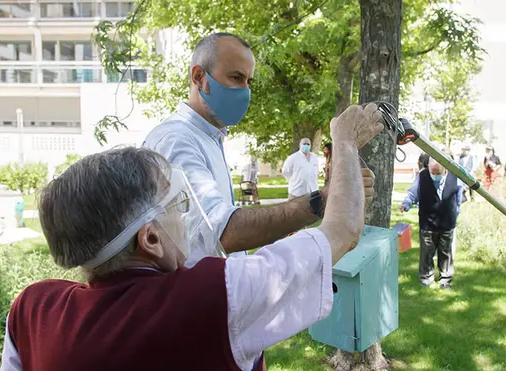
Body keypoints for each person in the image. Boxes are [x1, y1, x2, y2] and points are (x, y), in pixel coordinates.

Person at [0, 102, 383, 371]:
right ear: (151, 238)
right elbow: (343, 230)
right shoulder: (219, 295)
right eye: (178, 205)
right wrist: (344, 142)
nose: (186, 218)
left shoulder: (33, 311)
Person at [143, 33, 374, 264]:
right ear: (198, 76)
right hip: (194, 297)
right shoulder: (176, 139)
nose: (245, 91)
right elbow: (223, 231)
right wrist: (323, 200)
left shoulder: (208, 137)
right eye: (235, 77)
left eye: (248, 82)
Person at [399, 157, 462, 289]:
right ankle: (426, 279)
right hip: (427, 222)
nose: (435, 176)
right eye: (432, 173)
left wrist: (455, 214)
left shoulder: (455, 176)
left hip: (447, 223)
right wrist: (406, 204)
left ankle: (445, 280)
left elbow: (458, 199)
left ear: (444, 169)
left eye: (437, 174)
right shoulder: (422, 176)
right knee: (426, 253)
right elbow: (412, 193)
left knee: (445, 253)